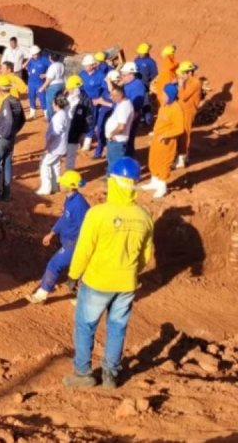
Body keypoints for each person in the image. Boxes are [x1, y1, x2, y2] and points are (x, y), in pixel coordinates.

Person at [63, 157, 154, 390]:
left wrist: (73, 276)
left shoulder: (97, 214)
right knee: (117, 328)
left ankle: (83, 374)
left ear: (112, 182)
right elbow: (145, 257)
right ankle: (110, 375)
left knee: (85, 326)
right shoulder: (144, 216)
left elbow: (84, 249)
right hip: (126, 284)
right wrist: (130, 272)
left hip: (97, 282)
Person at [26, 170, 90, 304]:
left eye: (63, 183)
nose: (60, 184)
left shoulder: (79, 206)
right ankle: (81, 295)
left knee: (54, 264)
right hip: (68, 241)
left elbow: (86, 228)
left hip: (74, 243)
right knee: (80, 269)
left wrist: (80, 248)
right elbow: (64, 219)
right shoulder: (70, 199)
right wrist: (52, 233)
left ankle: (41, 295)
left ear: (70, 186)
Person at [143, 83, 184, 199]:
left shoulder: (176, 109)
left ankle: (162, 186)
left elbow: (179, 128)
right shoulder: (164, 106)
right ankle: (154, 181)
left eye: (164, 94)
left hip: (167, 141)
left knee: (163, 163)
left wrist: (165, 135)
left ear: (170, 95)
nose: (161, 96)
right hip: (157, 138)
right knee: (153, 159)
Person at [0, 76, 26, 201]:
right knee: (7, 165)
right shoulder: (16, 101)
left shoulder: (6, 103)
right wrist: (14, 132)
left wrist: (2, 135)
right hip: (11, 139)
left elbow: (9, 121)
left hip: (3, 139)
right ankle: (6, 194)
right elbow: (22, 120)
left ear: (0, 89)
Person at [37, 94, 70, 196]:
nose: (52, 104)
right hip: (62, 146)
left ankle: (46, 188)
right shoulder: (65, 114)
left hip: (55, 146)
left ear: (56, 104)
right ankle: (55, 187)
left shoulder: (58, 117)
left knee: (44, 164)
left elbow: (55, 133)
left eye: (53, 103)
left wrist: (48, 145)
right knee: (55, 165)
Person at [65, 75, 95, 171]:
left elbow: (89, 117)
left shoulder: (85, 100)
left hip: (75, 130)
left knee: (71, 152)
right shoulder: (67, 97)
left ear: (75, 88)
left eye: (70, 88)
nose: (68, 90)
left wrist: (84, 133)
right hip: (66, 127)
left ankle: (69, 170)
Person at [176, 61, 202, 169]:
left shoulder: (194, 82)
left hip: (188, 111)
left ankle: (182, 158)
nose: (180, 76)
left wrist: (180, 85)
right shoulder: (190, 81)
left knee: (184, 134)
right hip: (184, 110)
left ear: (189, 73)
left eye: (182, 73)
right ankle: (183, 156)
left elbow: (183, 97)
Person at [103, 85, 134, 175]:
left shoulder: (124, 107)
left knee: (115, 163)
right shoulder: (121, 104)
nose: (111, 97)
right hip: (116, 139)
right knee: (112, 161)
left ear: (120, 95)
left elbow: (121, 127)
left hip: (117, 140)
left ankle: (114, 182)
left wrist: (112, 134)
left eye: (113, 96)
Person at [79, 54, 106, 152]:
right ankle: (82, 139)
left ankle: (87, 143)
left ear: (93, 65)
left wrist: (100, 99)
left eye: (87, 65)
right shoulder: (82, 74)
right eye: (84, 66)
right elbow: (79, 87)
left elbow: (105, 89)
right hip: (83, 101)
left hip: (94, 103)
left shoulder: (101, 75)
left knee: (91, 121)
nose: (85, 67)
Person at [120, 62, 147, 156]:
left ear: (131, 75)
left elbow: (136, 105)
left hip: (131, 116)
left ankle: (129, 158)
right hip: (126, 115)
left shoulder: (137, 86)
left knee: (128, 139)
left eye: (124, 75)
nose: (122, 77)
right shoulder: (128, 84)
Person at [92, 70, 119, 160]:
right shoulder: (105, 89)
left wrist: (103, 102)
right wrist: (97, 101)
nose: (116, 83)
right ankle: (98, 153)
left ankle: (110, 155)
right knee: (100, 133)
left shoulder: (119, 91)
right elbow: (101, 98)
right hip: (102, 115)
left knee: (110, 135)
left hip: (112, 116)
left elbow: (116, 105)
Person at [134, 43, 158, 126]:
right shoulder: (136, 60)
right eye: (139, 52)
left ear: (146, 52)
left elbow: (154, 74)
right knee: (137, 102)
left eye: (142, 53)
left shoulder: (151, 62)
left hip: (145, 86)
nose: (140, 54)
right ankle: (140, 119)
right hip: (136, 85)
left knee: (146, 103)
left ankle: (148, 120)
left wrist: (149, 82)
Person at [26, 45, 50, 119]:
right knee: (31, 97)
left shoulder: (45, 60)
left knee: (42, 98)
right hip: (31, 82)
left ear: (39, 53)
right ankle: (32, 114)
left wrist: (46, 75)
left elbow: (53, 68)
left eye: (35, 54)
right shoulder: (31, 60)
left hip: (40, 83)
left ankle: (46, 114)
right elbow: (28, 68)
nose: (34, 56)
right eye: (33, 55)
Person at [42, 53, 66, 122]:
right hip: (61, 84)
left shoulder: (52, 66)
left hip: (53, 86)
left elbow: (49, 79)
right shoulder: (61, 64)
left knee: (50, 102)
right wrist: (45, 75)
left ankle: (51, 119)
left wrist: (42, 87)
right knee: (59, 101)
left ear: (50, 58)